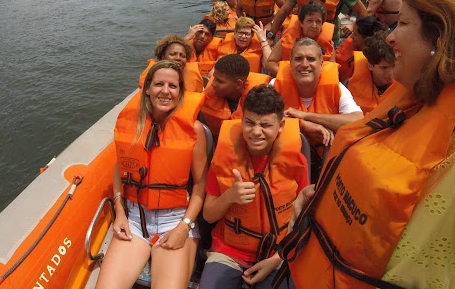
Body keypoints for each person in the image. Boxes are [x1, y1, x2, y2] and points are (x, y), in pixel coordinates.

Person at [276, 0, 455, 289]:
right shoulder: (414, 100)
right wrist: (318, 195)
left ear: (441, 36)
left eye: (402, 24)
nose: (390, 37)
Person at [97, 61, 208, 289]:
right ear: (147, 88)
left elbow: (200, 186)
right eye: (159, 84)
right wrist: (119, 211)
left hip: (174, 220)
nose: (165, 91)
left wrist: (184, 226)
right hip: (135, 220)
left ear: (180, 92)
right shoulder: (132, 126)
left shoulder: (194, 131)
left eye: (172, 86)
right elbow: (121, 169)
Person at [199, 85, 307, 289]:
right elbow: (208, 216)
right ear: (242, 121)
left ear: (281, 125)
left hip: (278, 253)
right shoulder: (223, 159)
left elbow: (302, 219)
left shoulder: (296, 161)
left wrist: (277, 258)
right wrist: (229, 196)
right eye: (249, 123)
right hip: (228, 251)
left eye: (265, 125)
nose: (256, 132)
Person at [273, 38, 363, 146]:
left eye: (311, 59)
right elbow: (259, 119)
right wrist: (302, 124)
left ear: (321, 65)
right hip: (285, 156)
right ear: (290, 63)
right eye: (298, 59)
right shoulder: (275, 86)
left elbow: (358, 121)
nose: (305, 64)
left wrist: (306, 116)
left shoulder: (337, 88)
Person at [200, 54, 271, 138]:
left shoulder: (264, 103)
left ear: (238, 84)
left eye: (220, 81)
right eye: (214, 78)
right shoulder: (206, 99)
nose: (213, 84)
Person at [265, 1, 335, 75]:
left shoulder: (329, 44)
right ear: (301, 23)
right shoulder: (287, 39)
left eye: (318, 22)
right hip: (289, 79)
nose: (314, 26)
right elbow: (270, 63)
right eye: (310, 21)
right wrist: (289, 74)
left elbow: (331, 70)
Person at [346, 30, 395, 115]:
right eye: (384, 68)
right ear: (370, 66)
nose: (391, 73)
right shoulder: (348, 86)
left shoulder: (405, 85)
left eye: (394, 66)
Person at [138, 34, 204, 93]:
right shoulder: (150, 77)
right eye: (173, 54)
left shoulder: (194, 76)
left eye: (182, 56)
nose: (178, 58)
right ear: (163, 57)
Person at [336, 16, 386, 82]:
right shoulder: (350, 44)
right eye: (352, 33)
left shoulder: (375, 62)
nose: (352, 37)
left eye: (355, 34)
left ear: (367, 39)